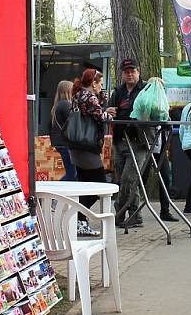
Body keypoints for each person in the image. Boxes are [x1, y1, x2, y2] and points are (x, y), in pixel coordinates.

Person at [69, 68, 112, 235]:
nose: (101, 86)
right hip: (87, 147)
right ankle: (78, 217)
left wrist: (101, 101)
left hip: (77, 146)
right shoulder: (89, 96)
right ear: (93, 83)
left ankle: (78, 221)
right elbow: (100, 117)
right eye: (100, 83)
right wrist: (108, 113)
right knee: (98, 185)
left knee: (84, 184)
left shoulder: (78, 94)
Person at [107, 58, 148, 227]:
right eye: (126, 71)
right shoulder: (118, 92)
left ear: (138, 72)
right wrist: (107, 110)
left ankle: (118, 213)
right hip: (119, 141)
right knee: (126, 180)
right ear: (122, 74)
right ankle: (135, 216)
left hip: (138, 142)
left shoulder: (146, 89)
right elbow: (109, 112)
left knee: (128, 179)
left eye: (133, 71)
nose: (130, 74)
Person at [49, 80, 77, 181]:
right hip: (66, 143)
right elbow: (73, 123)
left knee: (72, 173)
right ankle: (56, 194)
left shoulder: (57, 105)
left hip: (59, 142)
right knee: (72, 173)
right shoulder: (66, 105)